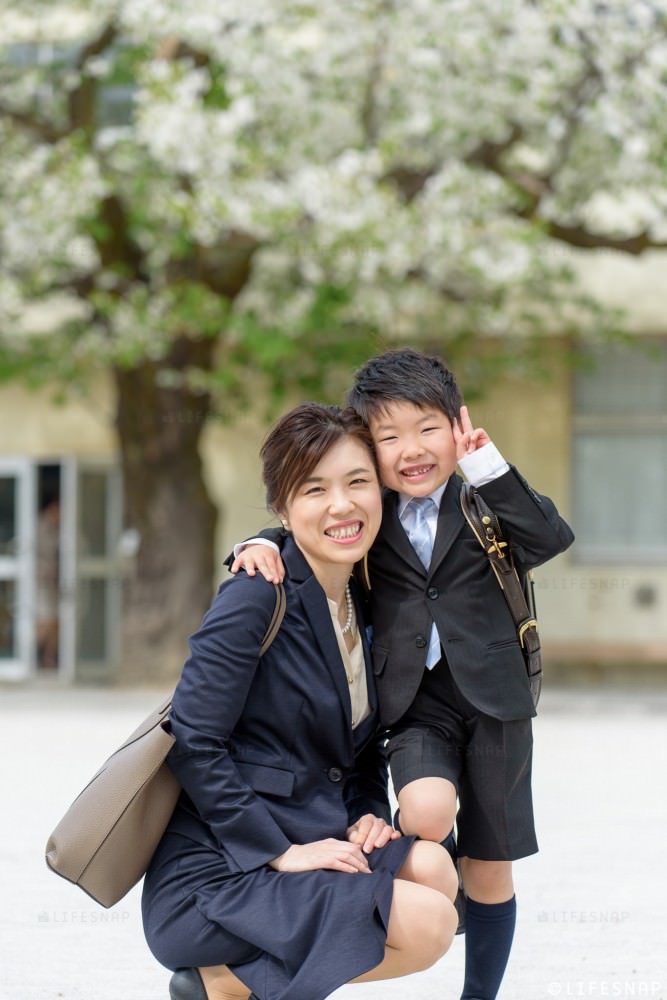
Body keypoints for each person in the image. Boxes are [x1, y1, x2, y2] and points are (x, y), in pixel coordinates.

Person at [232, 349, 575, 1000]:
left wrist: (488, 466)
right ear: (368, 447)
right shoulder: (372, 505)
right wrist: (258, 543)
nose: (410, 449)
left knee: (490, 868)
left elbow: (548, 536)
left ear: (456, 426)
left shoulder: (482, 494)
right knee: (422, 810)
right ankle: (432, 874)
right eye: (387, 437)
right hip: (412, 697)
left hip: (497, 697)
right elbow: (315, 526)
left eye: (426, 428)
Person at [142, 401, 459, 1000]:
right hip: (222, 872)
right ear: (284, 508)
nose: (342, 505)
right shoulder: (255, 596)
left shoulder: (363, 601)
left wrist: (366, 813)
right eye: (315, 489)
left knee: (438, 870)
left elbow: (359, 748)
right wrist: (280, 853)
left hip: (317, 835)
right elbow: (193, 739)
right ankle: (221, 982)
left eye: (358, 482)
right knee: (430, 924)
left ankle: (229, 986)